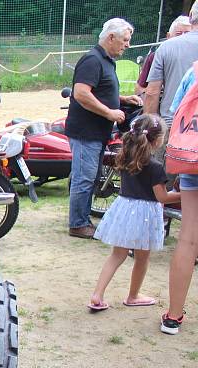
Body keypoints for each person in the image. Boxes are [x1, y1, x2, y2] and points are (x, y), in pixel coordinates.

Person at [88, 114, 181, 311]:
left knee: (116, 255)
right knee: (142, 258)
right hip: (145, 215)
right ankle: (133, 296)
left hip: (124, 209)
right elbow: (162, 198)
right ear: (156, 140)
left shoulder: (125, 157)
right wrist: (183, 195)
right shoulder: (155, 167)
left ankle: (97, 294)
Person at [65, 18, 142, 239]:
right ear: (111, 38)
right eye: (125, 40)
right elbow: (81, 93)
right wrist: (109, 113)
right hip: (85, 132)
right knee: (84, 178)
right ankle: (78, 224)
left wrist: (122, 99)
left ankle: (82, 220)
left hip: (96, 133)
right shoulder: (92, 60)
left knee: (91, 177)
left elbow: (100, 92)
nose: (127, 45)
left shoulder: (106, 61)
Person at [160, 62, 198, 334]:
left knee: (188, 238)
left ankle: (173, 316)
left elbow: (176, 115)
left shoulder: (194, 70)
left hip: (192, 161)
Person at [144, 2, 198, 126]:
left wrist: (151, 128)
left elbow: (152, 92)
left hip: (172, 123)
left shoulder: (166, 47)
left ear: (190, 16)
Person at [135, 16, 191, 97]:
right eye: (178, 34)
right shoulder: (155, 57)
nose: (182, 38)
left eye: (187, 34)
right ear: (168, 36)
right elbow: (139, 89)